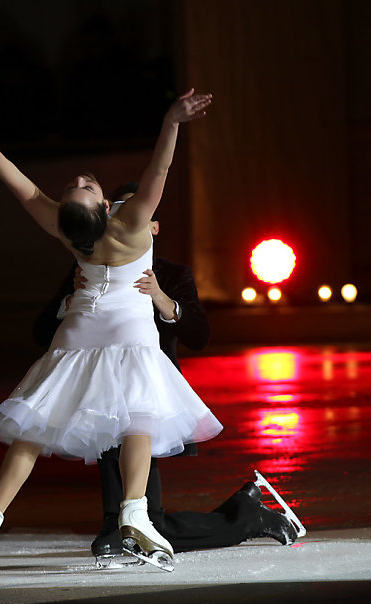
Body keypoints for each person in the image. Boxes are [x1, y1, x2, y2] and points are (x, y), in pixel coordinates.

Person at [0, 89, 220, 573]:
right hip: (128, 329)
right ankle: (134, 514)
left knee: (33, 426)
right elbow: (159, 171)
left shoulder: (68, 231)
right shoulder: (129, 223)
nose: (80, 179)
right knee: (139, 418)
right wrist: (171, 120)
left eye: (74, 185)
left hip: (78, 332)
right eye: (81, 187)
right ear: (103, 207)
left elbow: (19, 186)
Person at [34, 182, 301, 561]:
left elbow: (200, 336)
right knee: (120, 519)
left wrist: (160, 297)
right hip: (101, 397)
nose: (118, 220)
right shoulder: (87, 263)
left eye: (128, 212)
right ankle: (123, 528)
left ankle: (245, 517)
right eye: (113, 213)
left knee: (143, 520)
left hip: (149, 400)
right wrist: (70, 301)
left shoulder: (173, 274)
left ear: (152, 226)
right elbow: (41, 332)